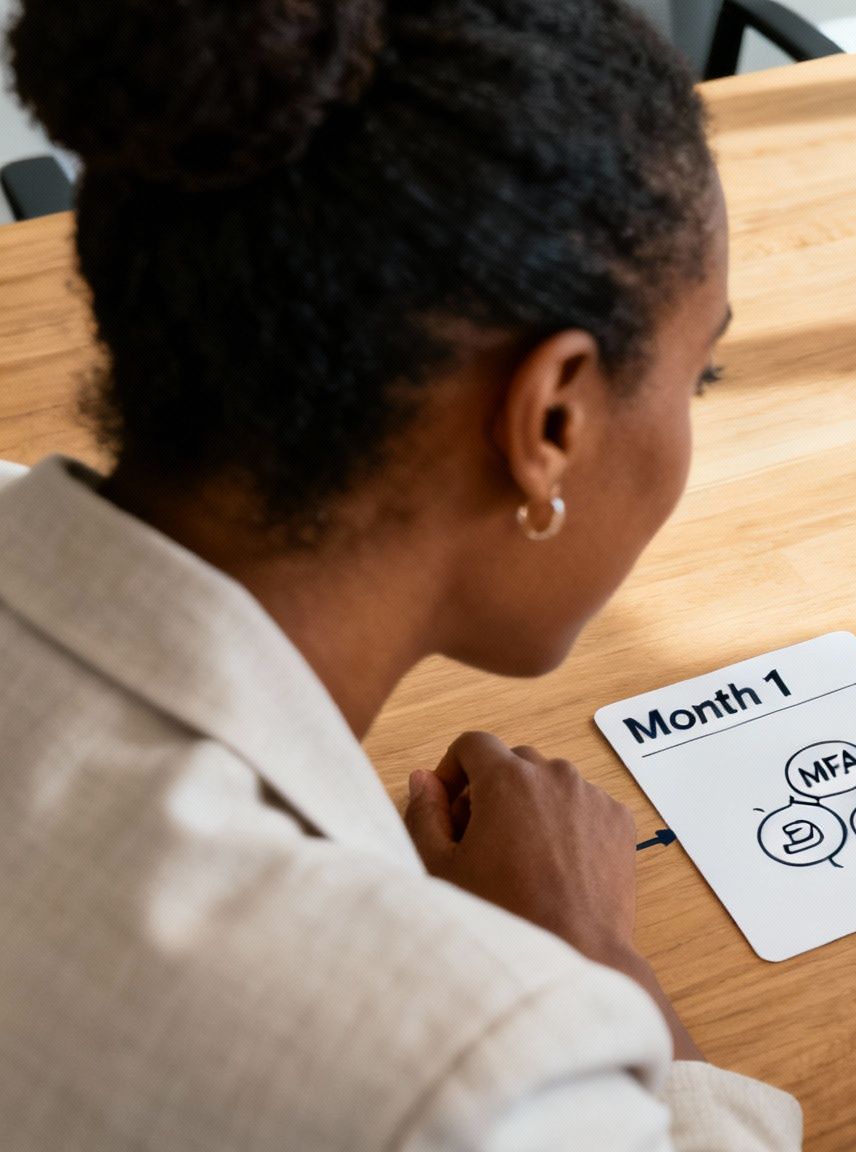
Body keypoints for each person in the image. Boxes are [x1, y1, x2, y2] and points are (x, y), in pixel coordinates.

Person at [0, 1, 799, 1149]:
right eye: (699, 376)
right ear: (550, 420)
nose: (690, 416)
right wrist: (594, 964)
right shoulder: (472, 1071)